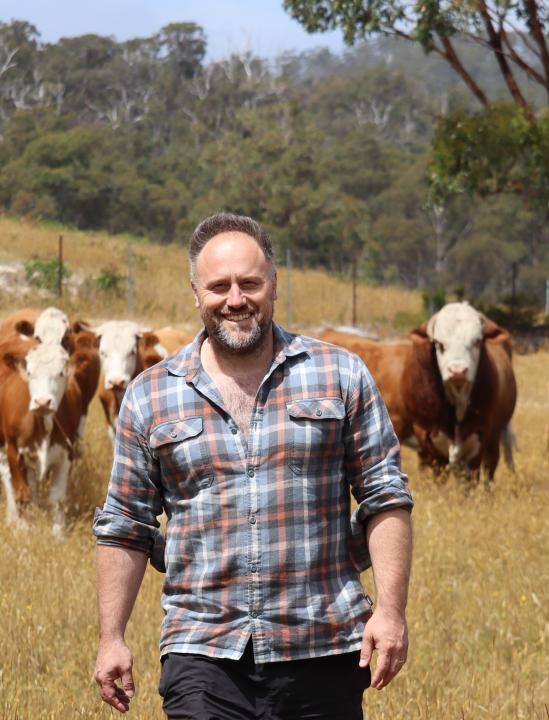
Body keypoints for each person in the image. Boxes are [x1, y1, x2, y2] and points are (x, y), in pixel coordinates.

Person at [92, 212, 414, 719]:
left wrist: (391, 612)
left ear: (274, 286)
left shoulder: (339, 375)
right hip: (203, 651)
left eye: (250, 283)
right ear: (195, 293)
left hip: (323, 645)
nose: (236, 299)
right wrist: (111, 637)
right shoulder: (151, 395)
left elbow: (385, 497)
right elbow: (125, 526)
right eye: (219, 286)